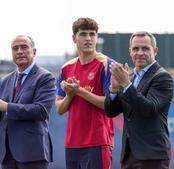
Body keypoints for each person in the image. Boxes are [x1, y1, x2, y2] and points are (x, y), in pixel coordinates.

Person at [0, 35, 56, 169]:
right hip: (7, 153)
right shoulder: (5, 80)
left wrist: (7, 107)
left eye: (24, 47)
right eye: (15, 48)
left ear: (34, 51)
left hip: (33, 152)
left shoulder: (45, 77)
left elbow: (41, 111)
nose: (19, 51)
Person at [104, 31, 173, 169]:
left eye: (145, 48)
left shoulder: (163, 77)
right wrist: (113, 89)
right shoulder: (128, 77)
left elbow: (148, 109)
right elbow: (111, 112)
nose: (140, 53)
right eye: (136, 49)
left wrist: (126, 85)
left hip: (152, 156)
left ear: (155, 51)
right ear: (130, 51)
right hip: (129, 156)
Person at [55, 17, 114, 169]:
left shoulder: (107, 64)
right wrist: (70, 95)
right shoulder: (66, 68)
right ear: (74, 38)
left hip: (98, 141)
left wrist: (79, 91)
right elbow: (59, 109)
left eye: (92, 34)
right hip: (73, 143)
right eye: (83, 34)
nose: (88, 38)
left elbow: (109, 104)